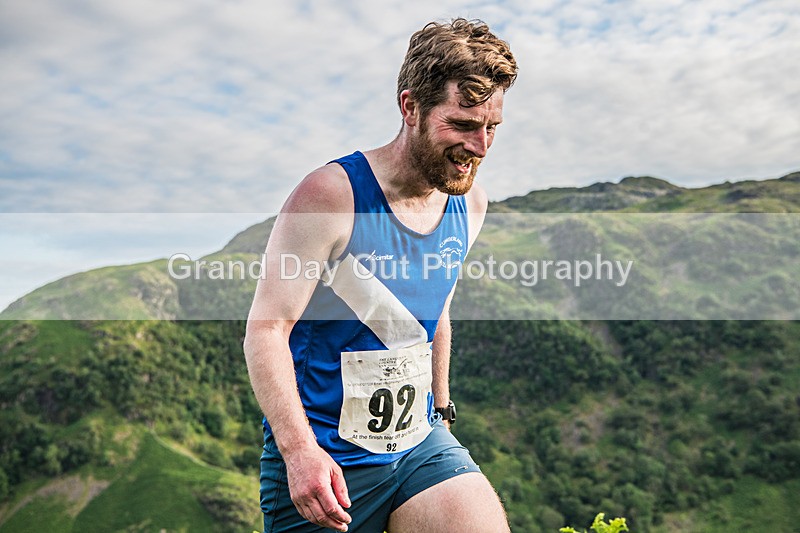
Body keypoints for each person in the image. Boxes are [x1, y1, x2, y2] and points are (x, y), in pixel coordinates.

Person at [244, 18, 518, 532]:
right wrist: (299, 452)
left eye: (492, 128)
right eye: (462, 125)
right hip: (328, 462)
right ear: (410, 108)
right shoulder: (330, 195)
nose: (480, 146)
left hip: (419, 444)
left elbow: (436, 313)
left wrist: (441, 411)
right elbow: (267, 328)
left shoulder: (470, 205)